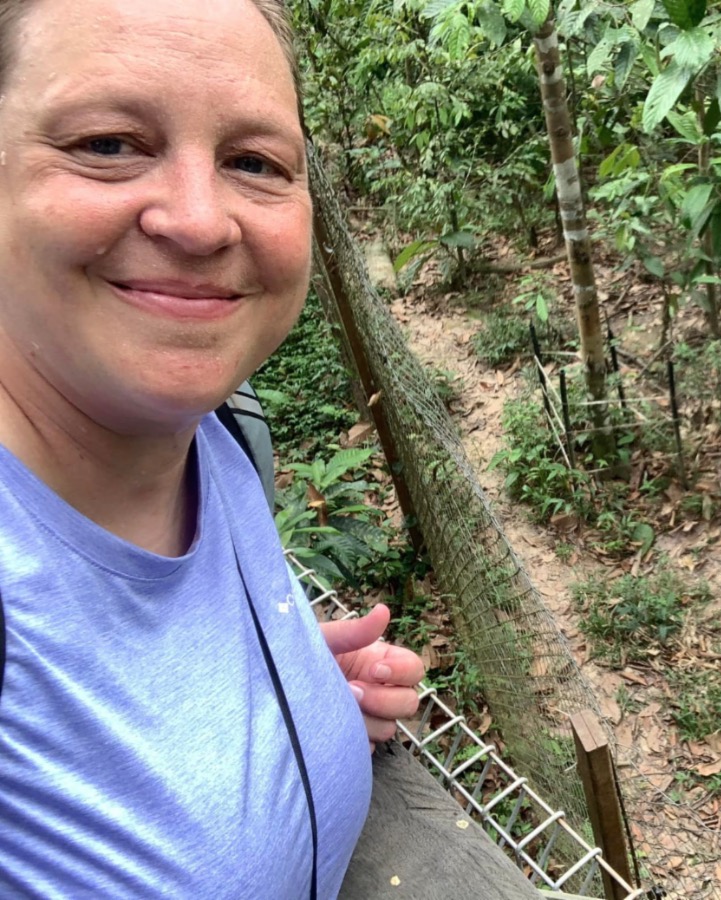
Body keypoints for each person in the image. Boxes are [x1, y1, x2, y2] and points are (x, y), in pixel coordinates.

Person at [0, 0, 425, 896]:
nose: (199, 221)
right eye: (107, 144)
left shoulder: (223, 433)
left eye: (254, 162)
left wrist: (289, 693)